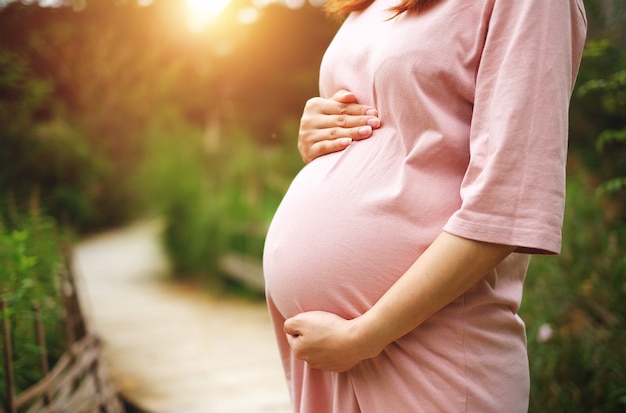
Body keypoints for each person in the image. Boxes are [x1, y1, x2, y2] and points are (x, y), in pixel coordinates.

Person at [263, 0, 587, 411]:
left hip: (426, 353)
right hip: (329, 361)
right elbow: (398, 127)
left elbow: (508, 201)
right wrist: (317, 135)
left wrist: (364, 337)